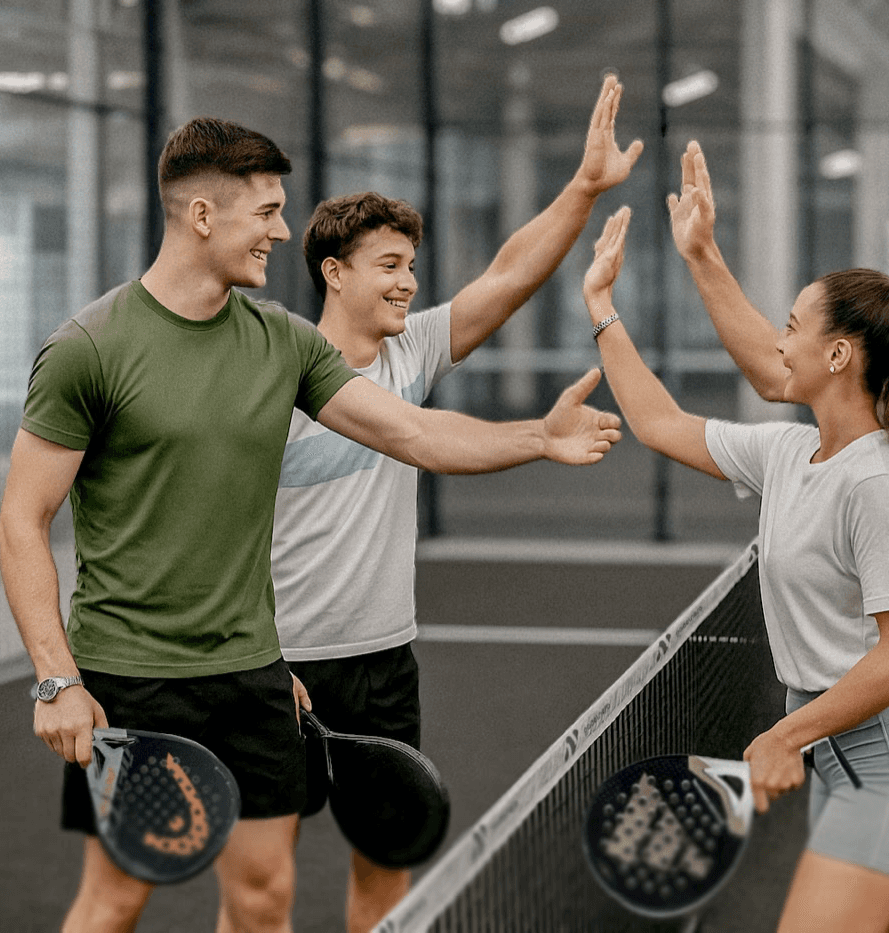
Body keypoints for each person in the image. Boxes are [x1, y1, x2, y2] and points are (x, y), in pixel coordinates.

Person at [0, 116, 622, 933]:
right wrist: (57, 679)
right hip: (130, 677)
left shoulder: (282, 342)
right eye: (266, 212)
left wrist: (538, 437)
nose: (282, 230)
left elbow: (409, 431)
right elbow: (21, 520)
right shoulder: (89, 348)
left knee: (263, 899)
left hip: (253, 673)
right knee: (116, 898)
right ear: (201, 216)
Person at [272, 75, 642, 931]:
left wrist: (583, 187)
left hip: (382, 659)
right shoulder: (274, 375)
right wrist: (256, 653)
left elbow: (511, 273)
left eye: (411, 266)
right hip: (278, 665)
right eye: (389, 265)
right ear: (334, 272)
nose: (408, 283)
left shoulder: (413, 353)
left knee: (385, 871)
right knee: (265, 884)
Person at [584, 199, 889, 931]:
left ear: (837, 355)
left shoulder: (878, 483)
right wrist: (602, 305)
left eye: (791, 327)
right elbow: (659, 423)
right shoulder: (789, 453)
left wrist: (786, 734)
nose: (777, 345)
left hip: (882, 764)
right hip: (843, 758)